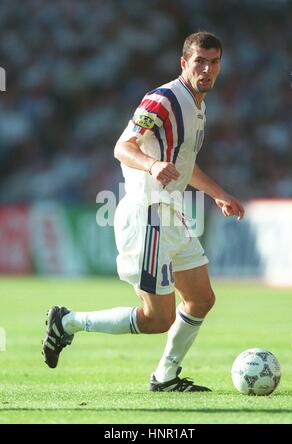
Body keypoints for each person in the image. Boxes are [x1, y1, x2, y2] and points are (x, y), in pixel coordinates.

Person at [43, 31, 244, 392]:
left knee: (201, 298)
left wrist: (218, 193)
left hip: (172, 213)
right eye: (200, 61)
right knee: (158, 319)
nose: (207, 69)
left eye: (214, 62)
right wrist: (151, 165)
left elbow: (184, 164)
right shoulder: (163, 99)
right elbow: (123, 147)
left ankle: (166, 377)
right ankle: (67, 322)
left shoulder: (199, 105)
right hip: (148, 214)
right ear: (184, 63)